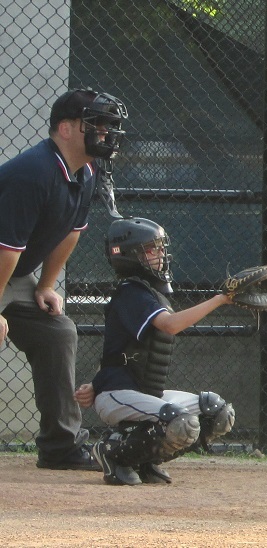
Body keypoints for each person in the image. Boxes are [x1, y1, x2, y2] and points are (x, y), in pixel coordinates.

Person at [0, 88, 127, 471]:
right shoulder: (34, 172)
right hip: (3, 263)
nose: (105, 134)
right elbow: (6, 250)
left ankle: (61, 446)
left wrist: (44, 285)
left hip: (12, 273)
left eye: (108, 127)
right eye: (97, 125)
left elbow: (71, 231)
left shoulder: (85, 172)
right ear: (66, 129)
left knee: (57, 332)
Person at [74, 217, 236, 485]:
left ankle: (145, 459)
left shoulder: (148, 293)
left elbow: (119, 349)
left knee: (217, 412)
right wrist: (221, 299)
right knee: (180, 421)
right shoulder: (131, 293)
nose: (161, 254)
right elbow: (171, 325)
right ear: (129, 255)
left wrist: (94, 381)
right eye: (152, 248)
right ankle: (113, 453)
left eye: (161, 248)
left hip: (143, 393)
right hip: (118, 395)